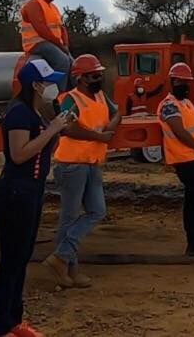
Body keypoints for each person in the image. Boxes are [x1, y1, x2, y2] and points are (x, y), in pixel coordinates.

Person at [0, 59, 74, 337]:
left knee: (21, 258)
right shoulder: (18, 113)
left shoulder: (36, 113)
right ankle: (3, 325)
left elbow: (42, 151)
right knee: (11, 261)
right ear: (35, 85)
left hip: (32, 190)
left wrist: (57, 130)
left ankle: (15, 321)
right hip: (16, 191)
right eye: (48, 82)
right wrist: (51, 130)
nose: (53, 87)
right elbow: (19, 154)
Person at [42, 54, 120, 288]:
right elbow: (68, 129)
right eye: (95, 75)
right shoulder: (70, 99)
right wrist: (99, 136)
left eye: (100, 74)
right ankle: (68, 269)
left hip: (92, 162)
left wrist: (108, 129)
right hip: (72, 164)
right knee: (70, 217)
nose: (99, 78)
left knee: (96, 211)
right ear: (81, 78)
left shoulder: (100, 96)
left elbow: (117, 113)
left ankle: (61, 257)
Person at [157, 62, 194, 257]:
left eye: (188, 83)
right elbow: (180, 131)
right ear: (173, 82)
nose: (186, 86)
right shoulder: (168, 105)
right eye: (183, 83)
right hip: (185, 158)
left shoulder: (186, 103)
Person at [19, 0, 72, 80]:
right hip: (37, 44)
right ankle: (58, 94)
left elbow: (62, 28)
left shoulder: (53, 7)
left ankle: (73, 93)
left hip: (54, 44)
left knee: (75, 65)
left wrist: (65, 45)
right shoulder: (33, 4)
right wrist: (60, 45)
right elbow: (42, 30)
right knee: (63, 61)